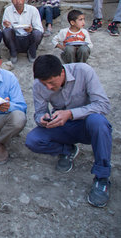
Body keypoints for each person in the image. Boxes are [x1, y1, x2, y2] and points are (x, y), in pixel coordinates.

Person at [26, 55, 112, 208]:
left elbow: (103, 105)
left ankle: (102, 178)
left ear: (62, 73)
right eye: (44, 84)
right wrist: (43, 119)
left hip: (87, 125)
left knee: (99, 122)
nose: (48, 88)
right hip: (62, 125)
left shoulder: (84, 71)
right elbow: (38, 113)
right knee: (33, 140)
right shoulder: (39, 85)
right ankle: (68, 149)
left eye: (52, 83)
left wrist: (71, 114)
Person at [1, 0, 44, 64]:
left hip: (28, 38)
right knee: (6, 31)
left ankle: (31, 52)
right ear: (11, 0)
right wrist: (7, 25)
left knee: (37, 33)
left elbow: (40, 29)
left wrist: (31, 30)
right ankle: (13, 53)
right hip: (15, 39)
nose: (18, 1)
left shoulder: (32, 10)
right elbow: (6, 29)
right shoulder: (8, 10)